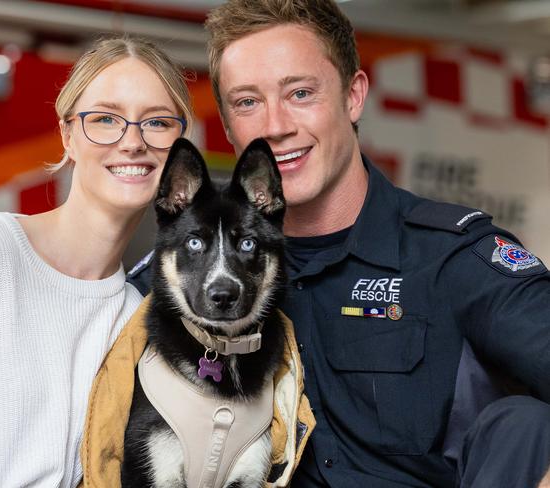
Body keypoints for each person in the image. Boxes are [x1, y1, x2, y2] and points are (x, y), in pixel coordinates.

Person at [127, 1, 550, 487]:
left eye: (300, 92)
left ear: (353, 96)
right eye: (247, 102)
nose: (275, 124)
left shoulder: (451, 258)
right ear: (226, 126)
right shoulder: (169, 290)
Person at [0, 35, 192, 487]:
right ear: (67, 136)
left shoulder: (138, 322)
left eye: (156, 123)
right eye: (106, 118)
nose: (132, 141)